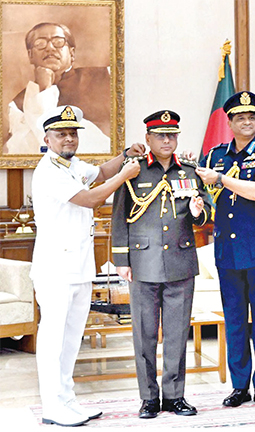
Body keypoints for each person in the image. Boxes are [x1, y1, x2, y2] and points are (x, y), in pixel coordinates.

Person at [30, 105, 142, 427]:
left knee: (71, 337)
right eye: (61, 134)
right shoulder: (48, 170)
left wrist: (123, 156)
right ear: (47, 139)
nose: (68, 138)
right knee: (53, 339)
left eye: (72, 133)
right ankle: (52, 406)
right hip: (54, 268)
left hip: (78, 267)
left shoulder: (71, 165)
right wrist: (125, 176)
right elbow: (91, 198)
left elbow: (102, 173)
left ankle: (67, 400)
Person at [111, 110, 210, 419]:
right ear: (148, 139)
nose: (167, 140)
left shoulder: (190, 171)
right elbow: (120, 216)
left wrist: (197, 212)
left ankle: (175, 396)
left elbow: (204, 212)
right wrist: (121, 260)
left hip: (180, 261)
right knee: (144, 334)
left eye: (172, 135)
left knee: (178, 332)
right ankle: (149, 398)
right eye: (161, 135)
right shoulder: (134, 170)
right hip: (143, 263)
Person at [196, 91, 255, 409]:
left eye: (252, 117)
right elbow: (207, 204)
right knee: (234, 320)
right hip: (229, 251)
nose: (248, 122)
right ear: (230, 122)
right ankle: (239, 386)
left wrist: (221, 179)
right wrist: (198, 208)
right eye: (240, 118)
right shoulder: (216, 155)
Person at [5, 22, 110, 154]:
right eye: (40, 44)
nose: (49, 48)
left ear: (72, 53)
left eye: (58, 41)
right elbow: (26, 149)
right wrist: (44, 89)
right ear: (30, 56)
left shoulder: (106, 76)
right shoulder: (18, 104)